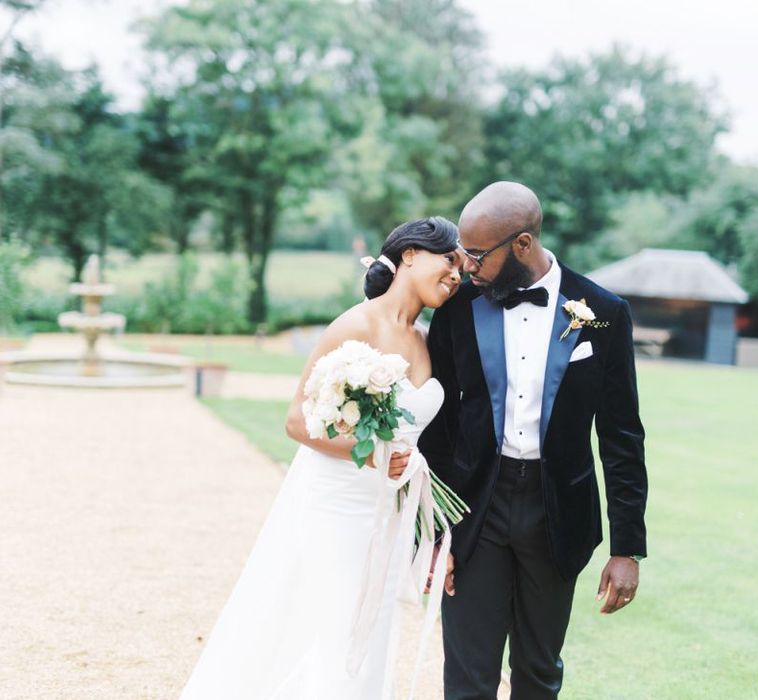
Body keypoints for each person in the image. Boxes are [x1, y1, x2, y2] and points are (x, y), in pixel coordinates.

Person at [180, 216, 464, 699]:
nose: (457, 274)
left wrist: (424, 522)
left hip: (388, 512)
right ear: (410, 255)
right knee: (336, 633)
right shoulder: (356, 324)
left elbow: (416, 443)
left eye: (461, 267)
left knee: (371, 633)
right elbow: (297, 420)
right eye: (449, 259)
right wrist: (374, 455)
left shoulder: (426, 339)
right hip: (338, 505)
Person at [419, 182, 648, 699]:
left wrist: (627, 548)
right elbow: (438, 424)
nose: (466, 268)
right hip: (475, 509)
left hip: (557, 514)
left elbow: (622, 435)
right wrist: (435, 530)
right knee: (467, 678)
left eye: (477, 255)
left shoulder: (605, 312)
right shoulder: (456, 309)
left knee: (539, 674)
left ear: (522, 244)